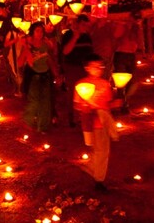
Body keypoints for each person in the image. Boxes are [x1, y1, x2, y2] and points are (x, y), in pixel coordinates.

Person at [73, 53, 120, 192]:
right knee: (100, 150)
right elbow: (76, 104)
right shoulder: (81, 85)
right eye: (95, 66)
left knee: (101, 150)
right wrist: (87, 108)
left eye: (101, 66)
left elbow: (108, 104)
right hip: (90, 122)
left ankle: (96, 173)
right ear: (87, 68)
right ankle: (97, 176)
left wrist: (115, 104)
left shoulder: (105, 84)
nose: (99, 68)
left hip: (103, 122)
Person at [18, 21, 61, 134]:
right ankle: (27, 121)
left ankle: (43, 126)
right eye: (37, 31)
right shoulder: (28, 45)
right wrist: (26, 48)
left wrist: (56, 74)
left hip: (45, 75)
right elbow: (20, 63)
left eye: (41, 31)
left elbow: (50, 59)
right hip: (33, 76)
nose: (40, 33)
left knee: (46, 102)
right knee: (34, 100)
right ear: (32, 32)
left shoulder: (46, 44)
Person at [60, 14, 94, 127]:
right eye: (83, 25)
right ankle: (72, 117)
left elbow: (90, 52)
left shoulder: (88, 37)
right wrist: (75, 37)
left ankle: (82, 116)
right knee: (73, 93)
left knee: (85, 94)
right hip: (72, 67)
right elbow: (65, 51)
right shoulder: (68, 35)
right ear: (78, 24)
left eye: (87, 25)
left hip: (85, 69)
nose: (85, 27)